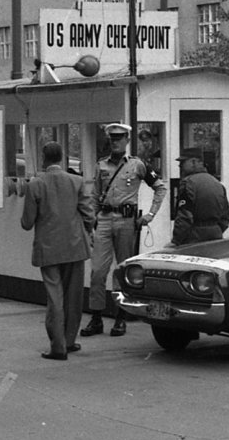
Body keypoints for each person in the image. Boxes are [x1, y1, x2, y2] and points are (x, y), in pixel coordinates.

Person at [82, 123, 167, 338]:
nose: (116, 142)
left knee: (123, 271)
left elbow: (160, 187)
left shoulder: (138, 165)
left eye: (119, 138)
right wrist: (90, 224)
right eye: (112, 139)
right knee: (97, 271)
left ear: (127, 140)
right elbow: (95, 196)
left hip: (127, 222)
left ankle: (121, 317)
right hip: (104, 219)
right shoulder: (101, 165)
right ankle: (96, 318)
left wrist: (150, 214)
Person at [20, 142, 94, 360]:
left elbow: (27, 222)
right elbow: (89, 214)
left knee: (55, 297)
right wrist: (86, 231)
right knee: (73, 296)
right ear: (62, 157)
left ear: (44, 158)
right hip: (75, 246)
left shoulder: (36, 184)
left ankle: (58, 346)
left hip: (48, 248)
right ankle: (70, 341)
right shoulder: (77, 181)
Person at [171, 147, 229, 246]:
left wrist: (175, 241)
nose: (180, 166)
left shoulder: (188, 183)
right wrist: (215, 230)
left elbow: (185, 216)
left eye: (183, 163)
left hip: (193, 237)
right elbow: (225, 217)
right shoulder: (217, 183)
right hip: (215, 235)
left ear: (194, 162)